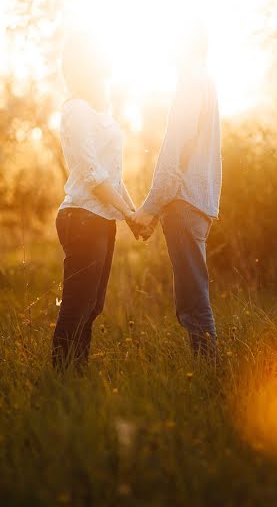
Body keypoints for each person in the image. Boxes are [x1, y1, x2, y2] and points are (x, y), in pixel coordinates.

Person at [52, 31, 142, 370]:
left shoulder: (100, 111)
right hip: (82, 218)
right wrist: (129, 215)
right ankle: (62, 377)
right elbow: (92, 174)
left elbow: (112, 176)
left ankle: (78, 372)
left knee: (93, 306)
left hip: (102, 219)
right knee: (77, 307)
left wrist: (132, 213)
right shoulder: (76, 110)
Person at [133, 23, 222, 359]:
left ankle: (207, 376)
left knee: (192, 302)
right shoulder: (206, 81)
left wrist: (149, 209)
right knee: (192, 297)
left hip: (184, 203)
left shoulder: (190, 82)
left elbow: (176, 152)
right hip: (199, 203)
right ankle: (206, 373)